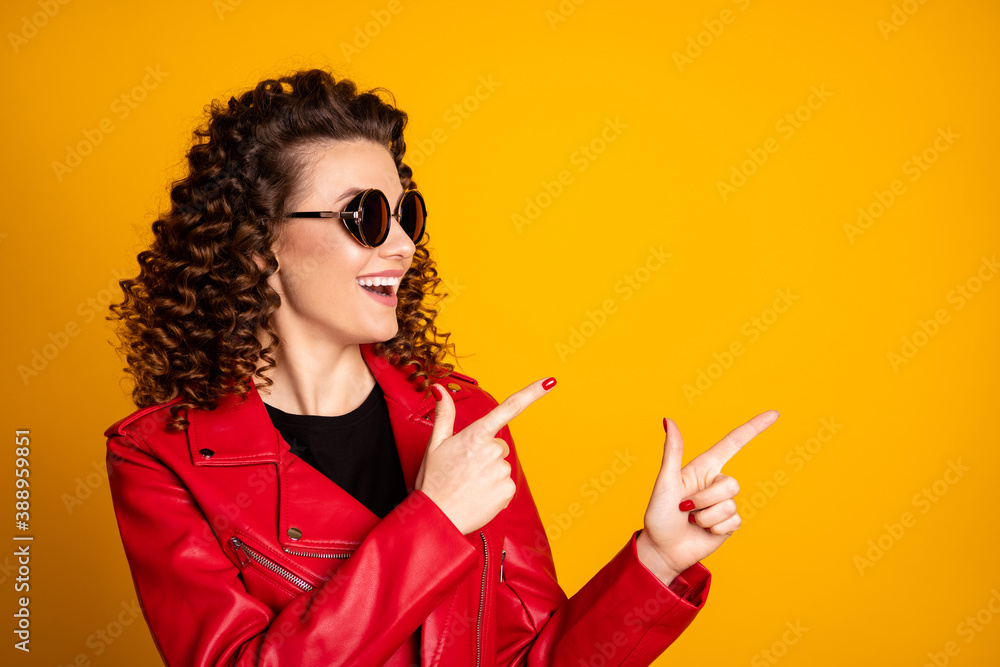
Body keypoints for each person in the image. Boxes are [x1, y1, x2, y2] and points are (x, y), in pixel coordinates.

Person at [104, 67, 779, 666]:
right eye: (365, 216)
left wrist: (656, 561)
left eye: (406, 213)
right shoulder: (160, 457)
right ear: (258, 246)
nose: (401, 244)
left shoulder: (462, 415)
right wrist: (433, 519)